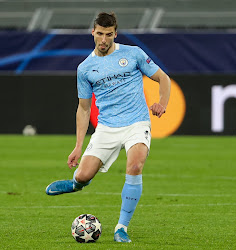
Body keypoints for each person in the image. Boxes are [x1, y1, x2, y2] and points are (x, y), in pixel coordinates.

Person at [45, 12, 171, 243]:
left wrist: (162, 103)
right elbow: (83, 109)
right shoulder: (85, 68)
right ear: (93, 32)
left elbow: (164, 78)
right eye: (100, 34)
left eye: (108, 35)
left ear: (115, 34)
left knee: (135, 165)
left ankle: (121, 228)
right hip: (107, 127)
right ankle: (76, 183)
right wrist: (77, 146)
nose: (103, 39)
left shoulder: (133, 54)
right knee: (84, 175)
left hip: (136, 122)